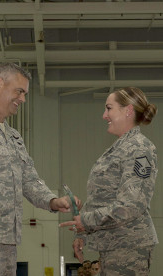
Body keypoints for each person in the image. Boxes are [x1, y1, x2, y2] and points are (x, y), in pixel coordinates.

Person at [0, 62, 81, 276]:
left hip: (7, 244)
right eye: (19, 91)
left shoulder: (13, 137)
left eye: (25, 93)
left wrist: (53, 201)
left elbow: (29, 180)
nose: (23, 99)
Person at [60, 87, 158, 275]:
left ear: (128, 110)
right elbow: (103, 197)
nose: (104, 115)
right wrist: (82, 234)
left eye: (109, 108)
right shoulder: (120, 148)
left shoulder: (139, 148)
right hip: (114, 245)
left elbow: (131, 204)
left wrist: (86, 221)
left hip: (128, 248)